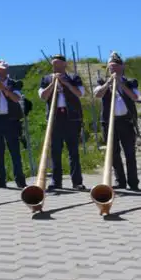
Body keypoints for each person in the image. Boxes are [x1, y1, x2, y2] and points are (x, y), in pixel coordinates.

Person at [38, 55, 87, 191]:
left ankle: (77, 182)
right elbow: (43, 96)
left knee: (73, 151)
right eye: (54, 65)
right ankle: (56, 182)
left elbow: (79, 93)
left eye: (59, 65)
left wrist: (65, 83)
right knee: (55, 151)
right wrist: (53, 83)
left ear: (65, 65)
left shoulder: (73, 77)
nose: (56, 67)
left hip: (71, 118)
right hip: (55, 118)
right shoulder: (46, 79)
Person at [94, 52, 141, 191]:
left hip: (126, 121)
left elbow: (135, 97)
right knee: (113, 153)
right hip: (109, 122)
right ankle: (120, 181)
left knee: (129, 153)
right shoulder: (102, 82)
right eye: (110, 67)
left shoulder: (130, 82)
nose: (113, 69)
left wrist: (121, 84)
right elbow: (97, 94)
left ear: (122, 67)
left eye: (115, 67)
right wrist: (109, 83)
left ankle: (133, 182)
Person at [0, 60, 27, 189]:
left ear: (6, 71)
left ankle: (20, 181)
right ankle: (0, 180)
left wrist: (5, 89)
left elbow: (16, 98)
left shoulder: (14, 83)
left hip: (11, 121)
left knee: (14, 151)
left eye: (1, 69)